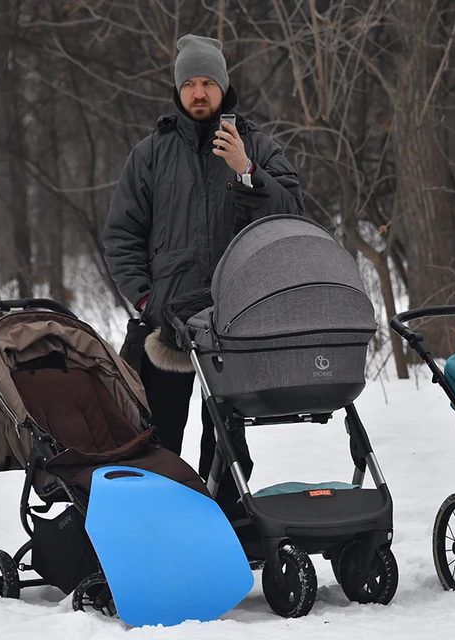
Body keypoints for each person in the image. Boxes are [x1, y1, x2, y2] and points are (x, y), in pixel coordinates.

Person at [103, 34, 304, 509]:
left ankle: (227, 529)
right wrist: (147, 301)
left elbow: (294, 215)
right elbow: (121, 237)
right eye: (189, 83)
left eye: (207, 83)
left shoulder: (255, 145)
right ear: (177, 89)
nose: (198, 93)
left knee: (229, 444)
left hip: (235, 320)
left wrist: (246, 169)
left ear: (223, 87)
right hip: (167, 324)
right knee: (157, 438)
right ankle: (160, 530)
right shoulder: (150, 154)